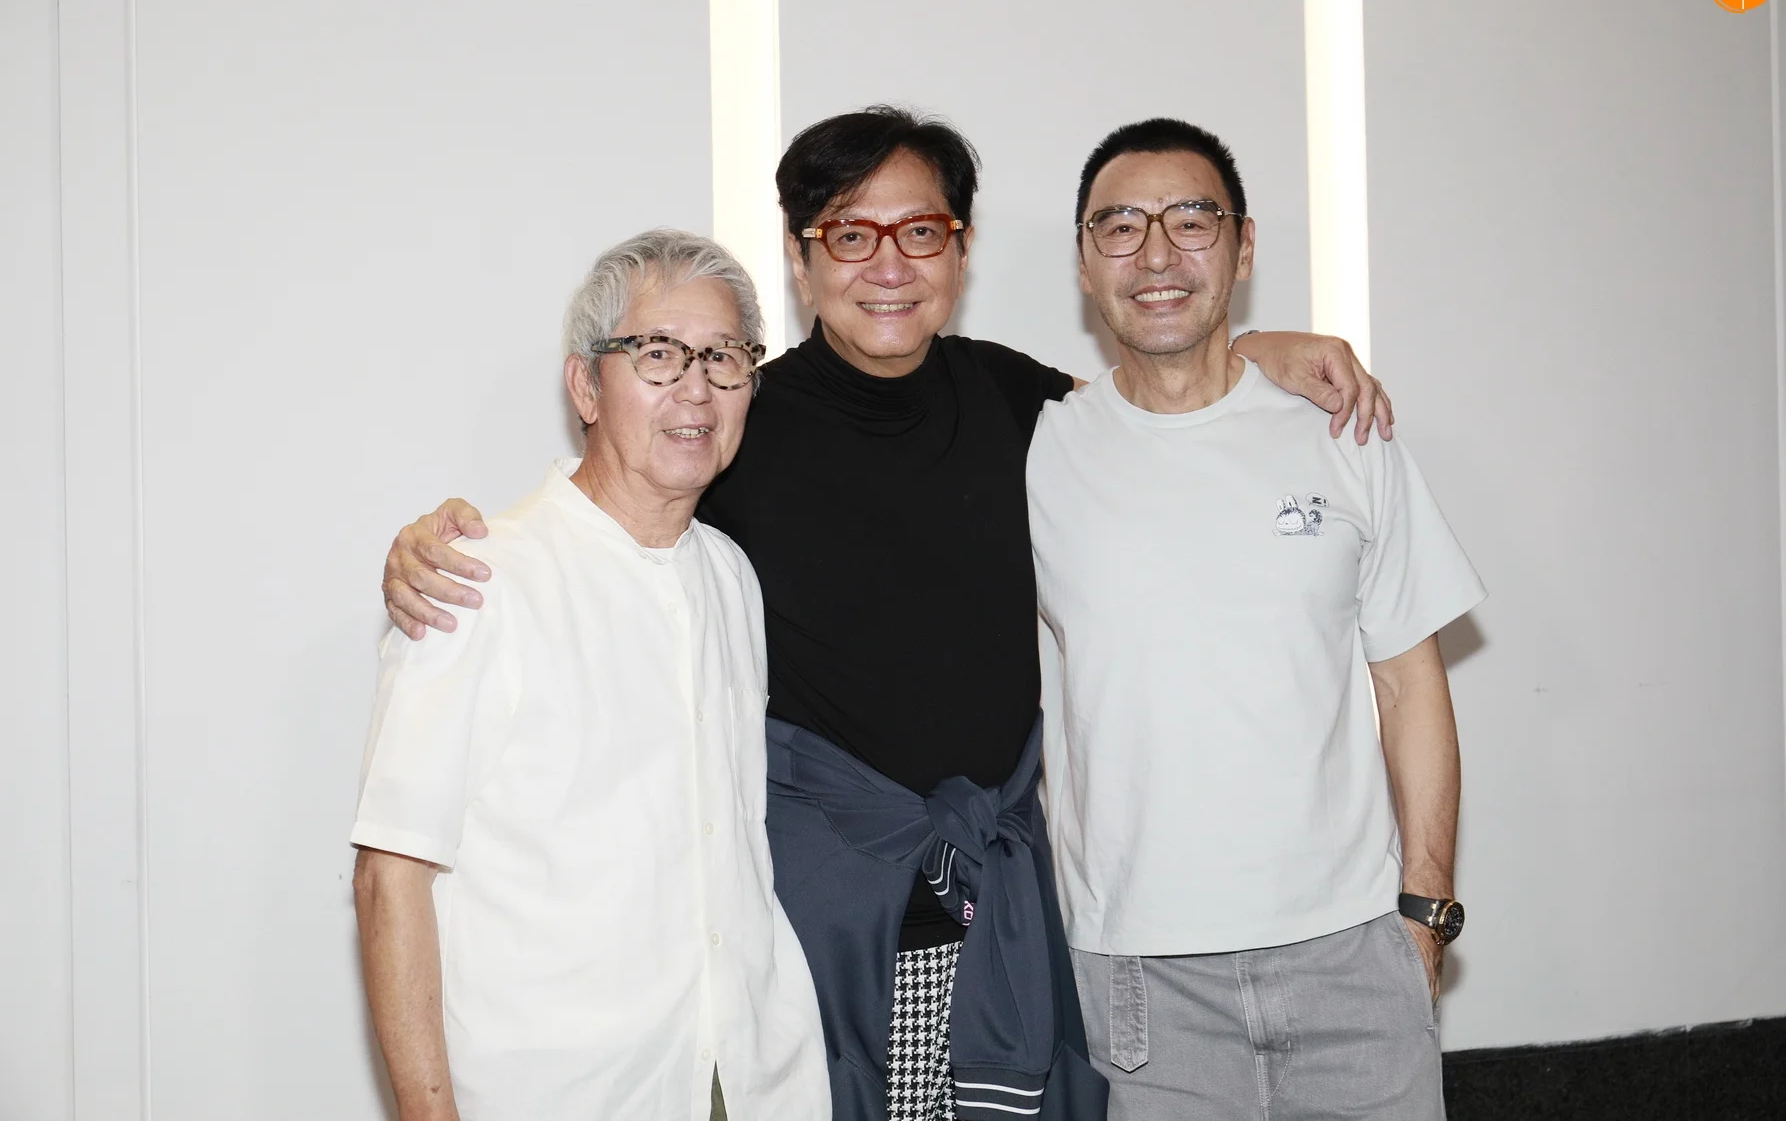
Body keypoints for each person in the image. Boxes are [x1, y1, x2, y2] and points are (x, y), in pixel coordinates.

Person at [378, 107, 1392, 1121]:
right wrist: (433, 545)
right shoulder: (734, 423)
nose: (889, 265)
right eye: (850, 235)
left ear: (961, 249)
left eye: (921, 231)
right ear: (801, 258)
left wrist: (1260, 350)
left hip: (999, 886)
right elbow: (609, 515)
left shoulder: (1015, 399)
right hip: (818, 923)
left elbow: (1161, 406)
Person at [1030, 118, 1484, 1121]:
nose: (1157, 254)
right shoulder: (1037, 450)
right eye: (1121, 226)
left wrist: (1425, 913)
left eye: (1192, 220)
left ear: (1243, 248)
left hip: (1354, 959)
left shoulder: (1343, 431)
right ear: (1084, 261)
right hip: (1142, 978)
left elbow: (1411, 682)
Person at [350, 230, 829, 1121]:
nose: (696, 388)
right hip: (561, 1091)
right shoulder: (477, 580)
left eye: (724, 357)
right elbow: (391, 873)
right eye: (658, 354)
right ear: (585, 387)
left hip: (748, 1074)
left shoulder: (731, 575)